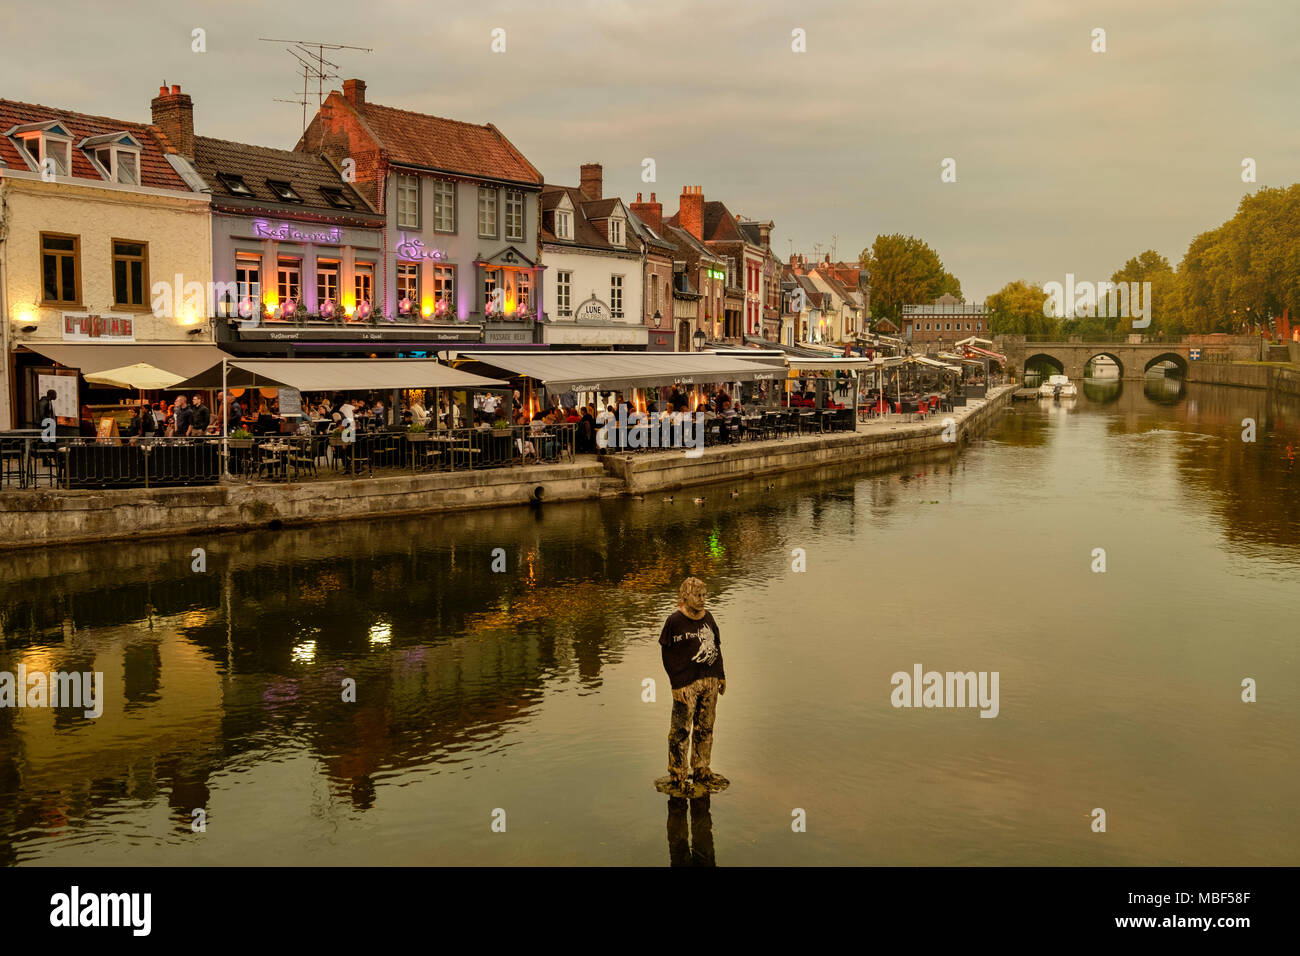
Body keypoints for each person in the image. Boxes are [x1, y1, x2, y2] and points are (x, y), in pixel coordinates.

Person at [657, 577, 728, 795]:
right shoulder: (674, 622)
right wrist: (675, 684)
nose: (702, 600)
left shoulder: (709, 618)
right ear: (685, 596)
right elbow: (668, 655)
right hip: (686, 685)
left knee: (705, 727)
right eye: (698, 595)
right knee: (680, 730)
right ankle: (678, 774)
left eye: (705, 595)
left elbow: (716, 646)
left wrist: (721, 676)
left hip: (709, 680)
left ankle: (701, 769)